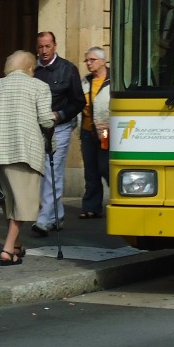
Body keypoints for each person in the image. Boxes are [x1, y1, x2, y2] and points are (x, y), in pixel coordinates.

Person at [0, 50, 56, 266]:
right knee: (23, 203)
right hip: (25, 151)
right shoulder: (39, 87)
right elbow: (46, 120)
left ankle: (16, 245)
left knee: (11, 202)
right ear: (30, 68)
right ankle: (7, 249)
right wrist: (54, 118)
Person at [31, 31, 84, 237]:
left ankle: (44, 218)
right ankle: (57, 214)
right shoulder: (31, 69)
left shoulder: (67, 69)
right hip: (36, 128)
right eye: (40, 47)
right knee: (43, 171)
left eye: (47, 46)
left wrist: (60, 115)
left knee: (53, 171)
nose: (44, 51)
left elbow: (79, 101)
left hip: (60, 127)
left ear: (55, 46)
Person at [79, 47, 110, 219]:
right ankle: (91, 206)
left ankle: (119, 195)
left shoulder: (113, 81)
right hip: (87, 132)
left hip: (105, 132)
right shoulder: (85, 81)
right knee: (90, 170)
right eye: (87, 60)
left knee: (105, 166)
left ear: (103, 61)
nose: (89, 64)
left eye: (92, 60)